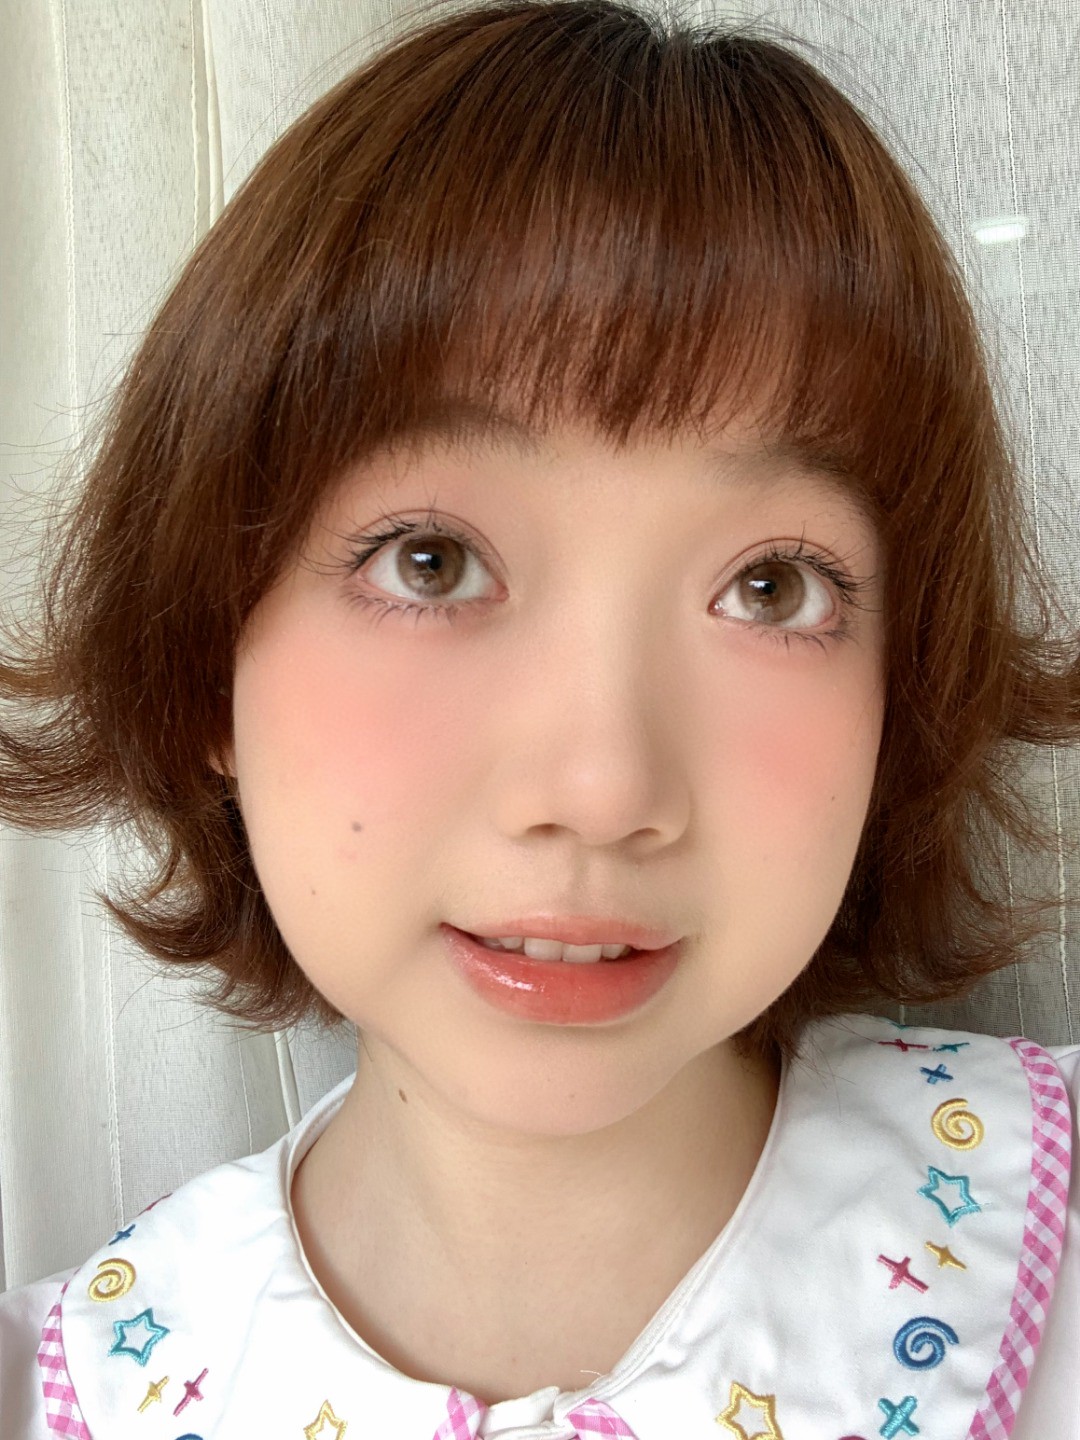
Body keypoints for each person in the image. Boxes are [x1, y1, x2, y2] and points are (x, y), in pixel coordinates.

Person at [1, 0, 1078, 1435]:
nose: (600, 788)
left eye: (770, 587)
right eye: (430, 562)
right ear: (206, 659)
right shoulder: (65, 1390)